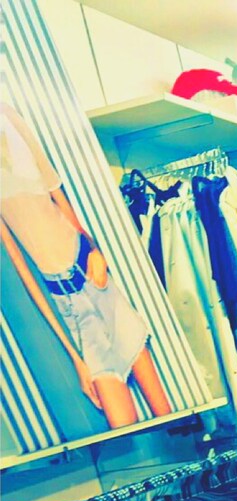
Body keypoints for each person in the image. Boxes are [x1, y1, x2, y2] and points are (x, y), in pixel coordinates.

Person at [0, 101, 171, 430]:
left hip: (90, 270)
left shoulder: (7, 116)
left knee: (166, 413)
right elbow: (20, 267)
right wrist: (76, 359)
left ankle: (197, 443)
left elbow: (60, 200)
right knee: (121, 422)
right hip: (65, 300)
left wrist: (95, 250)